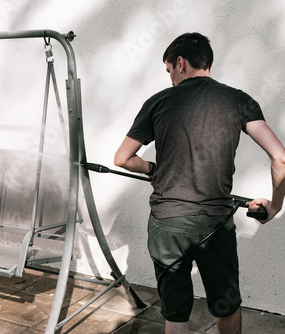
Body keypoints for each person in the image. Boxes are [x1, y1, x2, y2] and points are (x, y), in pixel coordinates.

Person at [114, 32, 285, 334]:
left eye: (169, 71)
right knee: (226, 305)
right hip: (215, 224)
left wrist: (150, 167)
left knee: (176, 313)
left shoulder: (158, 102)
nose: (170, 79)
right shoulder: (238, 100)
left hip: (168, 224)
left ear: (180, 63)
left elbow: (123, 159)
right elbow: (281, 159)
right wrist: (274, 206)